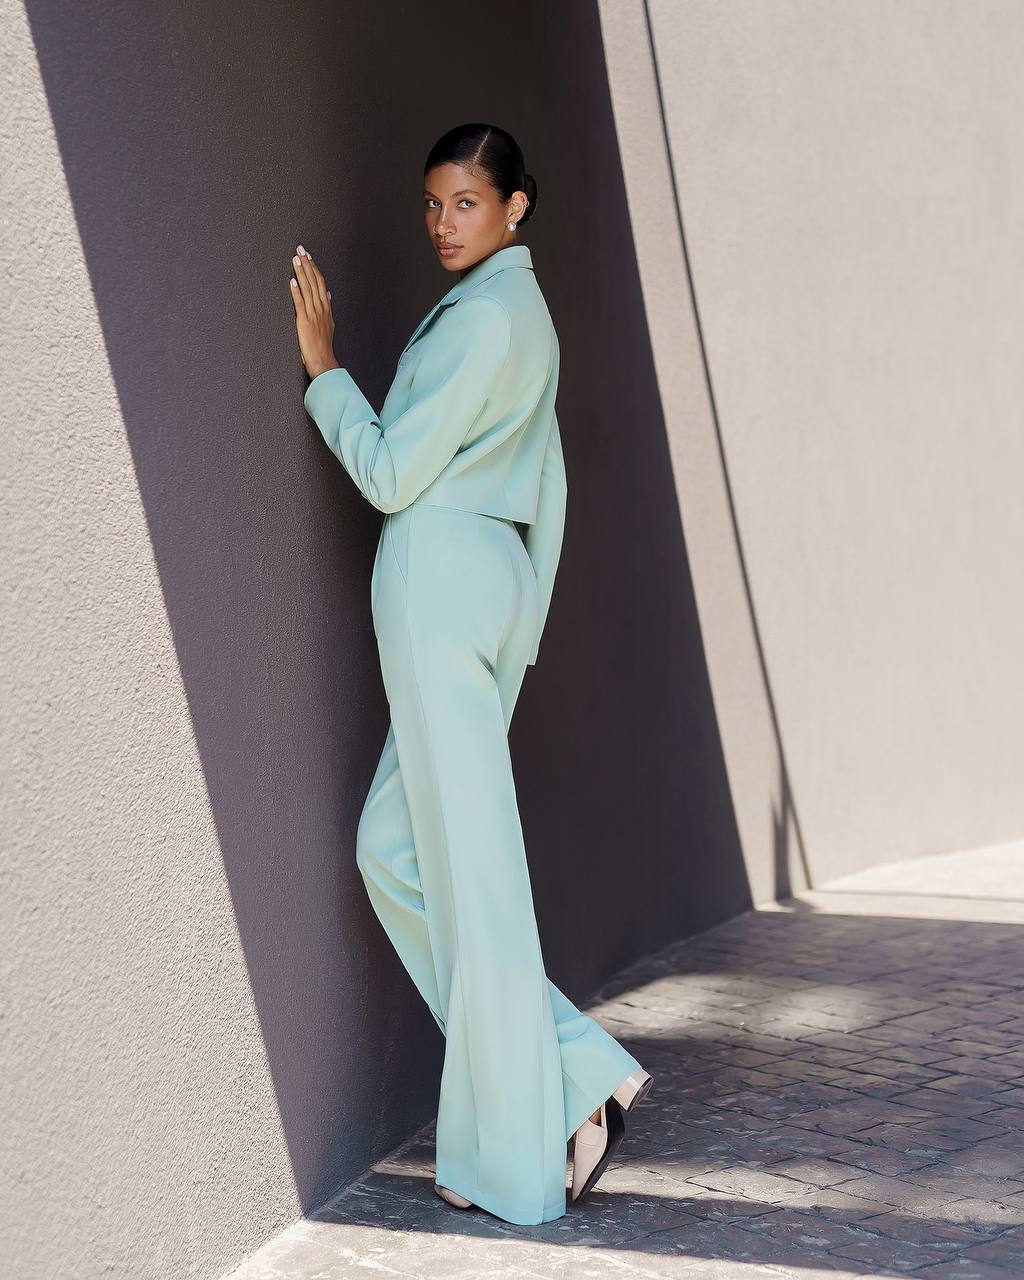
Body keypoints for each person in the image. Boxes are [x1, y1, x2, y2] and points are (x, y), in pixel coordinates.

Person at [289, 122, 653, 1227]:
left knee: (476, 875)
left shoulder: (486, 317)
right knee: (394, 851)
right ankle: (559, 1076)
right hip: (484, 582)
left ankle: (539, 1125)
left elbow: (394, 469)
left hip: (442, 583)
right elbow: (545, 487)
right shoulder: (524, 318)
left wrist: (325, 373)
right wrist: (519, 616)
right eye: (434, 204)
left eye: (466, 203)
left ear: (515, 208)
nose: (446, 224)